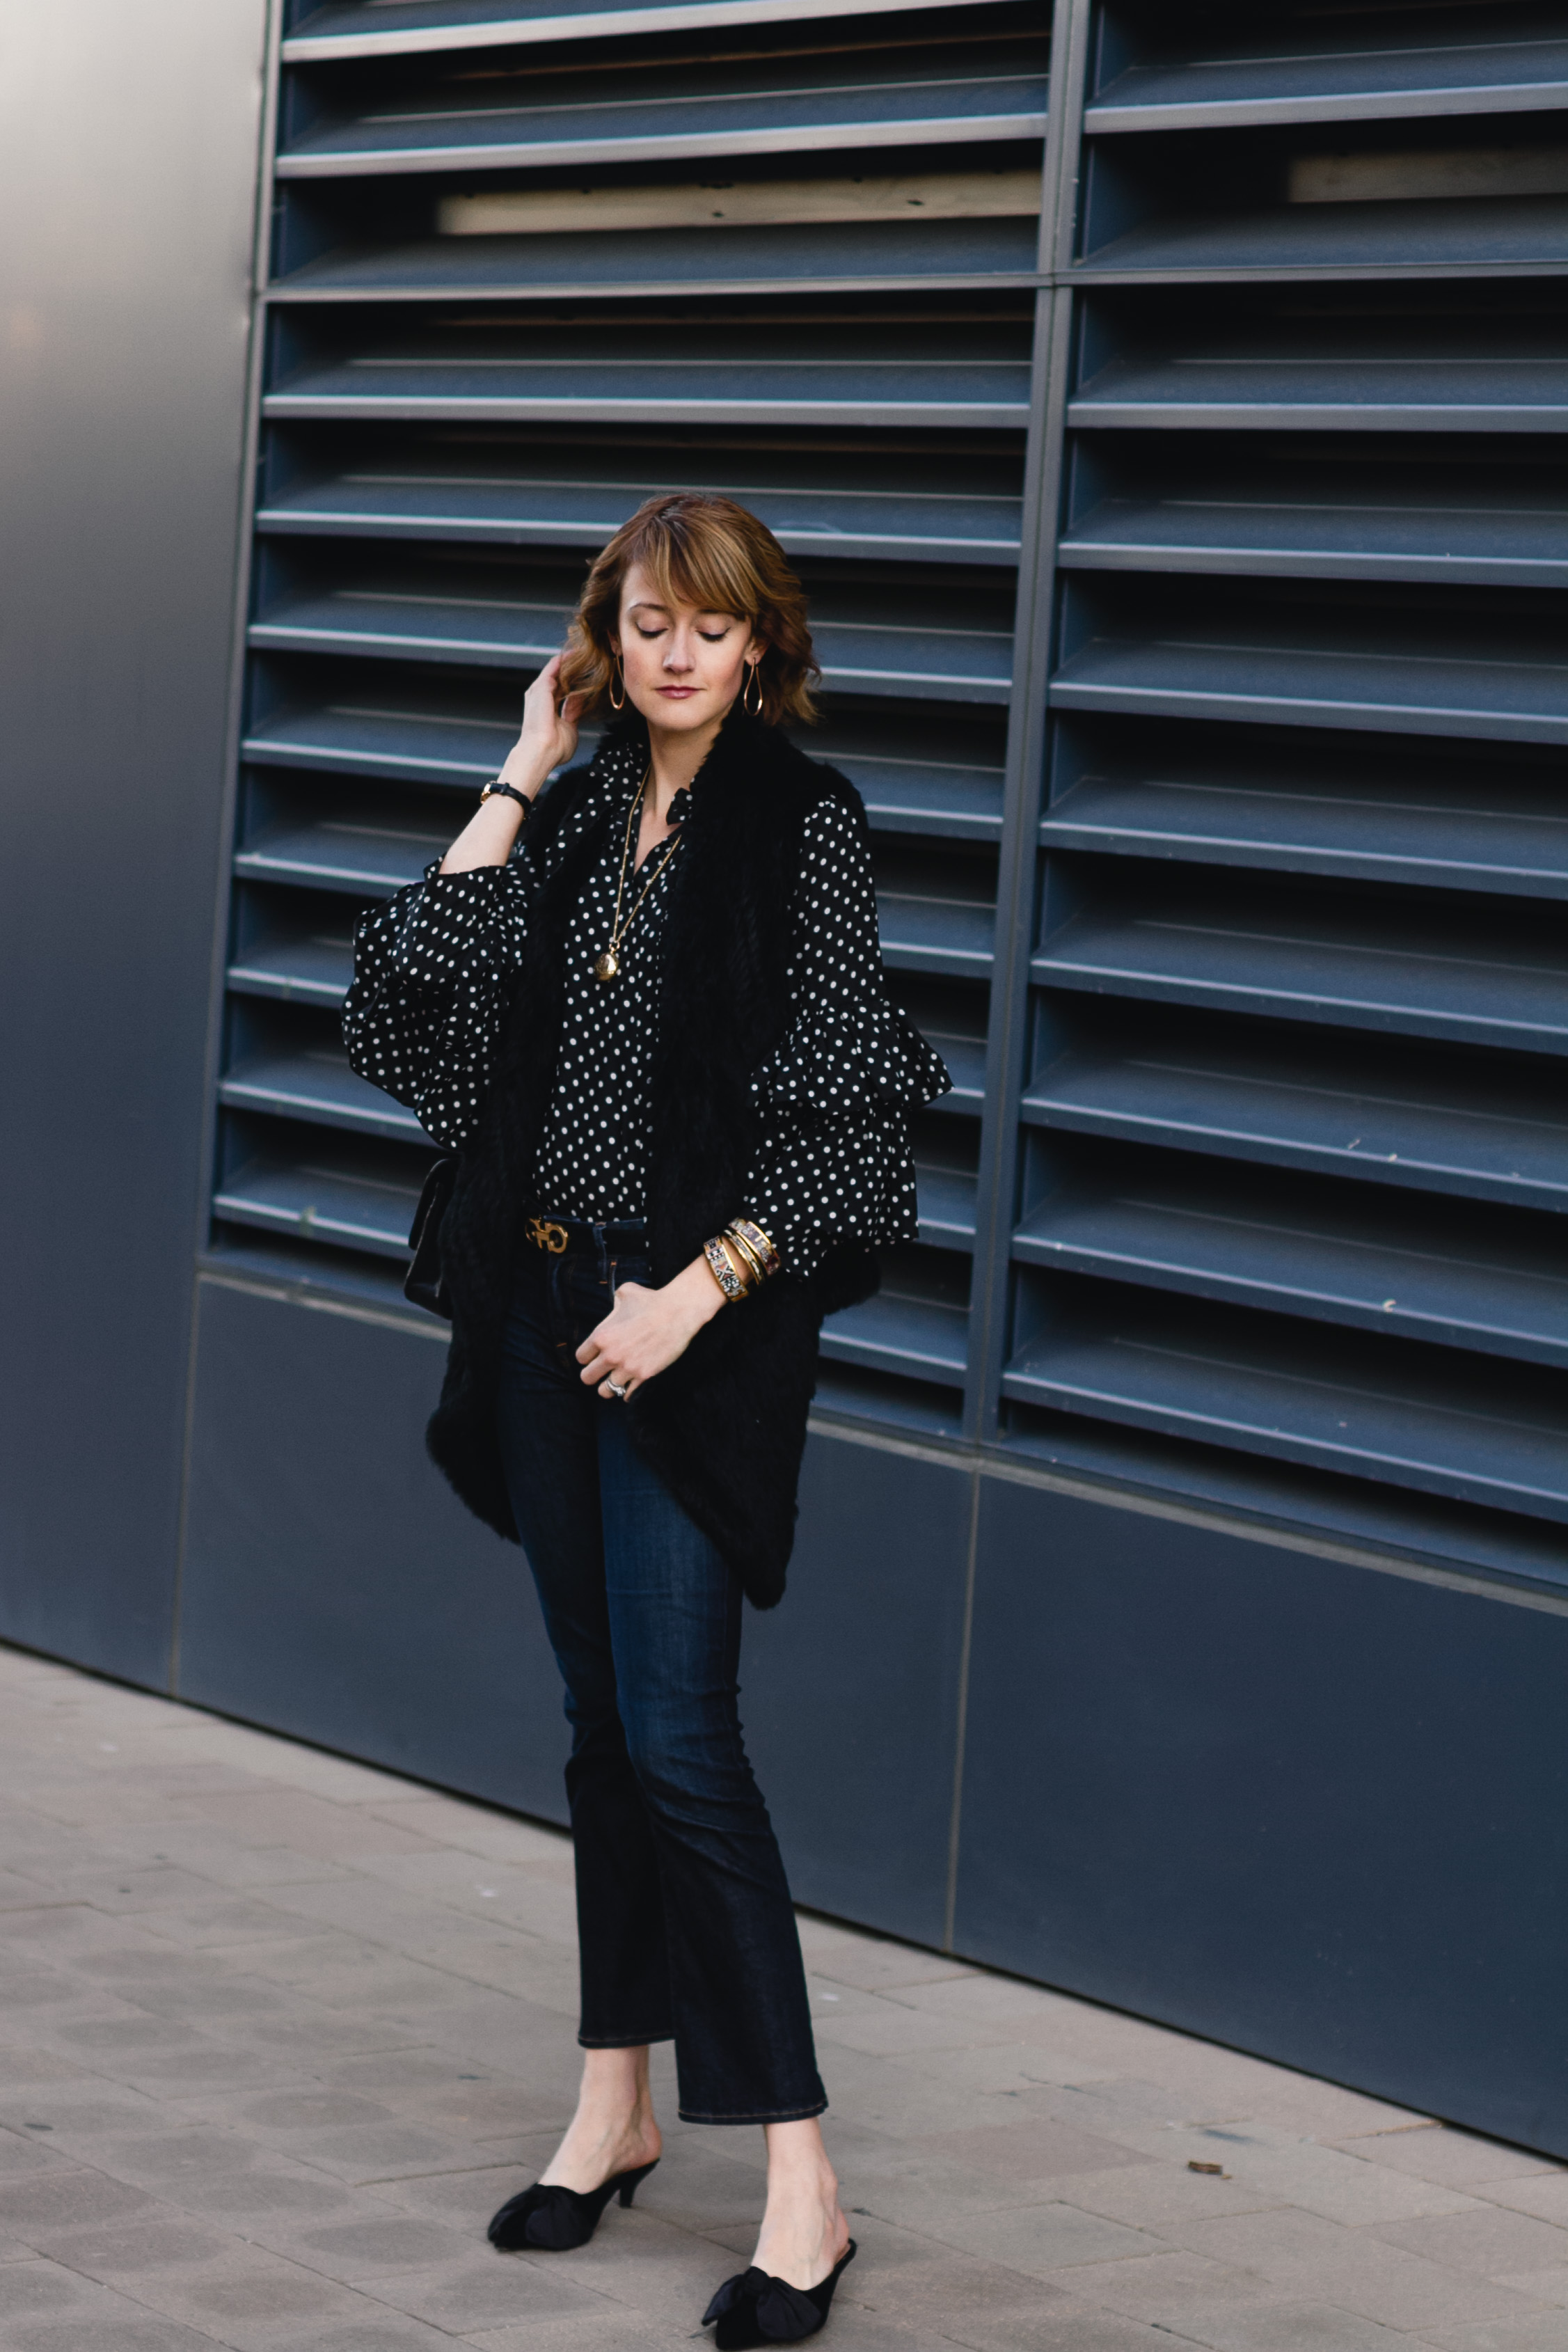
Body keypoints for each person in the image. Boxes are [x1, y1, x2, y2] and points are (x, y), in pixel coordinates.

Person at [343, 491, 949, 2347]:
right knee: (602, 1732)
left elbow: (860, 1120)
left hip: (690, 1320)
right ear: (606, 636)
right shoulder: (589, 806)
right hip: (536, 1309)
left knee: (687, 1744)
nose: (673, 652)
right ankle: (616, 2105)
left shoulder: (804, 827)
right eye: (641, 620)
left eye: (708, 623)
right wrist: (520, 772)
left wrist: (694, 1291)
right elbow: (396, 1009)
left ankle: (801, 2180)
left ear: (762, 642)